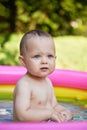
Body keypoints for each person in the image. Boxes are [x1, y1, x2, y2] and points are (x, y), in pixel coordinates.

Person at [13, 29, 72, 122]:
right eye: (37, 56)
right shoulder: (24, 85)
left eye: (49, 56)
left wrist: (64, 111)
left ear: (55, 58)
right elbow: (22, 115)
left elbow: (54, 105)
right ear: (23, 61)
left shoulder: (48, 82)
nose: (44, 61)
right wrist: (49, 114)